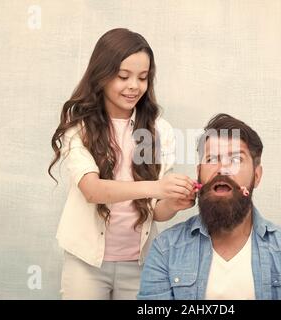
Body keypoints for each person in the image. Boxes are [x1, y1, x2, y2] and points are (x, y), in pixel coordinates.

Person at [48, 28, 197, 299]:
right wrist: (157, 187)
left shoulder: (159, 131)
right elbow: (93, 190)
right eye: (123, 76)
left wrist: (173, 202)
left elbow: (157, 212)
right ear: (101, 75)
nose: (134, 86)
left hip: (140, 264)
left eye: (142, 78)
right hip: (86, 263)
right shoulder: (79, 129)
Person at [138, 113, 281, 300]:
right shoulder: (165, 250)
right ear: (198, 173)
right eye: (211, 159)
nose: (223, 168)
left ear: (256, 176)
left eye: (236, 160)